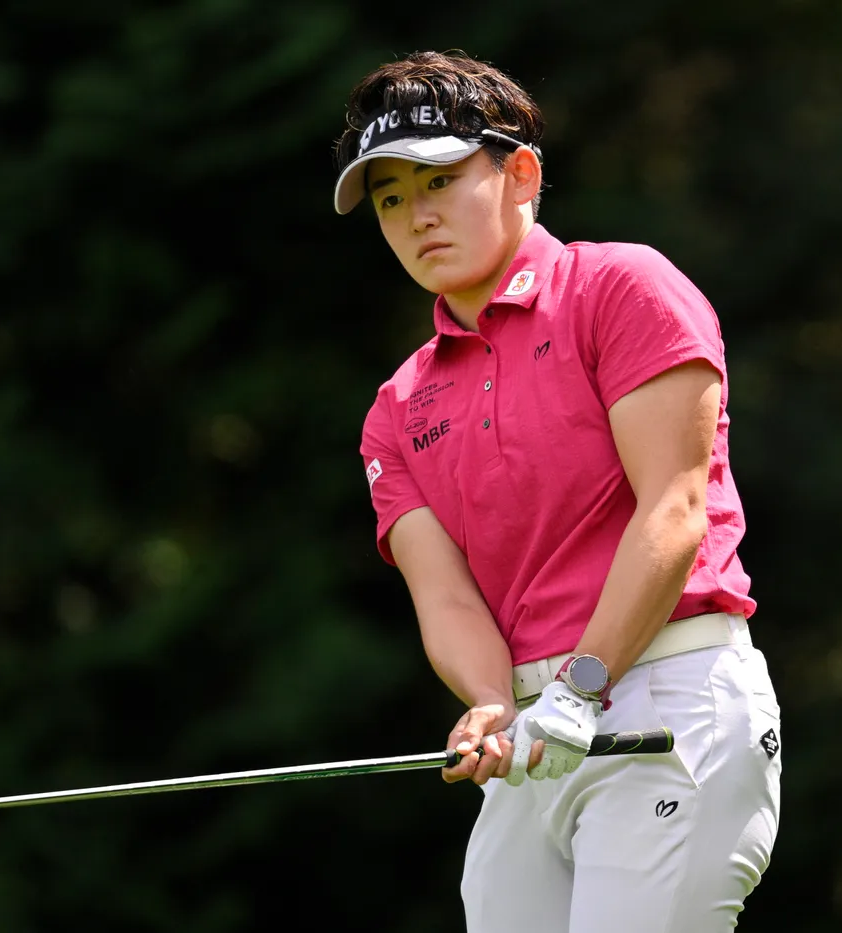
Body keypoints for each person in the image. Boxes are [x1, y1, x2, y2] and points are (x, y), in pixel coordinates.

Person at [333, 50, 782, 933]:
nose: (417, 217)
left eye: (439, 181)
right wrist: (491, 701)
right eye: (390, 200)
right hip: (536, 738)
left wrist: (581, 685)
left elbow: (673, 509)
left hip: (669, 698)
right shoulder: (397, 407)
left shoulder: (620, 288)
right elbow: (446, 596)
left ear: (521, 175)